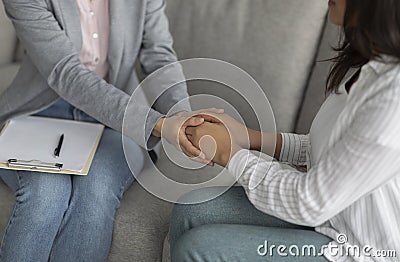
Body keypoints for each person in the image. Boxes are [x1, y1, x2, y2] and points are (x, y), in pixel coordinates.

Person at [170, 0, 400, 261]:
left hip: (363, 250)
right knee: (192, 210)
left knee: (199, 248)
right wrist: (247, 138)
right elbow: (327, 153)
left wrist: (229, 153)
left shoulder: (393, 99)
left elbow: (310, 202)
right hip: (335, 217)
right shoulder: (371, 62)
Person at [0, 0, 218, 261]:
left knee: (97, 189)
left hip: (116, 120)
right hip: (41, 113)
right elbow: (66, 74)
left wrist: (182, 116)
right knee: (45, 194)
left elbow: (159, 55)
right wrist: (157, 124)